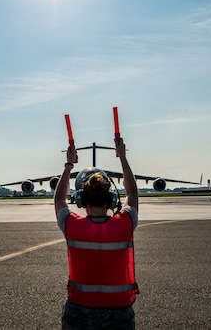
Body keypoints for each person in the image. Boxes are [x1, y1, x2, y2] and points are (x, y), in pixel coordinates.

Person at [54, 137, 139, 330]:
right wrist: (123, 157)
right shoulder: (124, 224)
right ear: (111, 200)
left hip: (79, 312)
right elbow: (132, 193)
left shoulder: (72, 226)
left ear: (81, 200)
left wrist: (68, 164)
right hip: (119, 314)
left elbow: (59, 198)